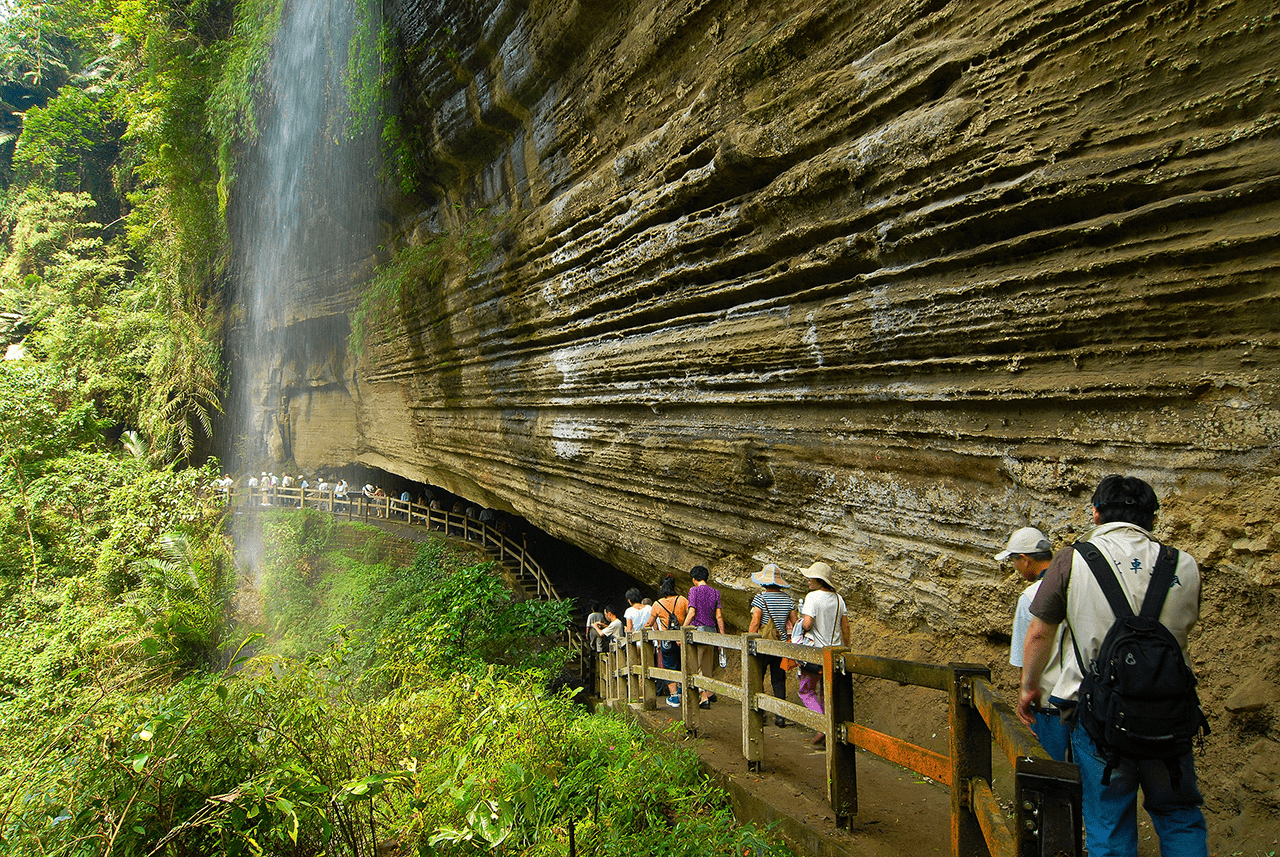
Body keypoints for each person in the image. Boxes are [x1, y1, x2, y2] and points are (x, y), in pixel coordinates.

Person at [1018, 475, 1207, 857]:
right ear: (1152, 518)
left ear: (1096, 513)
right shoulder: (1184, 564)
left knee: (1108, 821)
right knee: (1180, 815)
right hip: (1170, 715)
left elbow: (1040, 633)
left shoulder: (1073, 559)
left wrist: (1029, 687)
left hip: (1099, 717)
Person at [997, 527, 1070, 762]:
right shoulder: (1075, 587)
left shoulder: (1030, 597)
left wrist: (1025, 696)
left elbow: (1025, 658)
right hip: (1083, 700)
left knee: (1050, 770)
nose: (1014, 568)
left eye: (1013, 561)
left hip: (1048, 702)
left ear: (1025, 560)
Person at [796, 560, 849, 747]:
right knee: (827, 693)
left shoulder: (812, 597)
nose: (808, 580)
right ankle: (830, 728)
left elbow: (808, 624)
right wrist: (846, 649)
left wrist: (799, 624)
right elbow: (845, 626)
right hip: (834, 653)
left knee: (807, 690)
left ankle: (821, 725)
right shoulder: (838, 599)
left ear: (819, 580)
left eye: (811, 578)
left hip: (816, 653)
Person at [748, 563, 798, 727]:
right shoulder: (788, 599)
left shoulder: (760, 598)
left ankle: (759, 712)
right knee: (778, 680)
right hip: (780, 646)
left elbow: (755, 621)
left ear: (764, 582)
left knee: (757, 677)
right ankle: (780, 716)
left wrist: (748, 639)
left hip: (762, 645)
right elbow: (795, 623)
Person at [683, 565, 725, 710]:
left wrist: (683, 627)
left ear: (694, 579)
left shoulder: (693, 590)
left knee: (697, 664)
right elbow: (718, 616)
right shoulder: (715, 592)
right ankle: (709, 691)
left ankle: (703, 697)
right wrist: (722, 636)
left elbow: (692, 612)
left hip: (699, 631)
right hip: (712, 631)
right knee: (707, 665)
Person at [645, 574, 689, 707]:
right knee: (683, 664)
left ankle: (674, 697)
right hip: (682, 639)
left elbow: (650, 623)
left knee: (670, 666)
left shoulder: (657, 604)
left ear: (661, 587)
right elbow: (691, 615)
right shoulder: (682, 600)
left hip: (667, 641)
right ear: (674, 586)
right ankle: (682, 690)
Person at [623, 588, 651, 654]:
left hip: (637, 643)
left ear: (629, 600)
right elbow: (654, 625)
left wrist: (626, 629)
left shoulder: (629, 611)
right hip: (649, 641)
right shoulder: (649, 608)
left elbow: (629, 629)